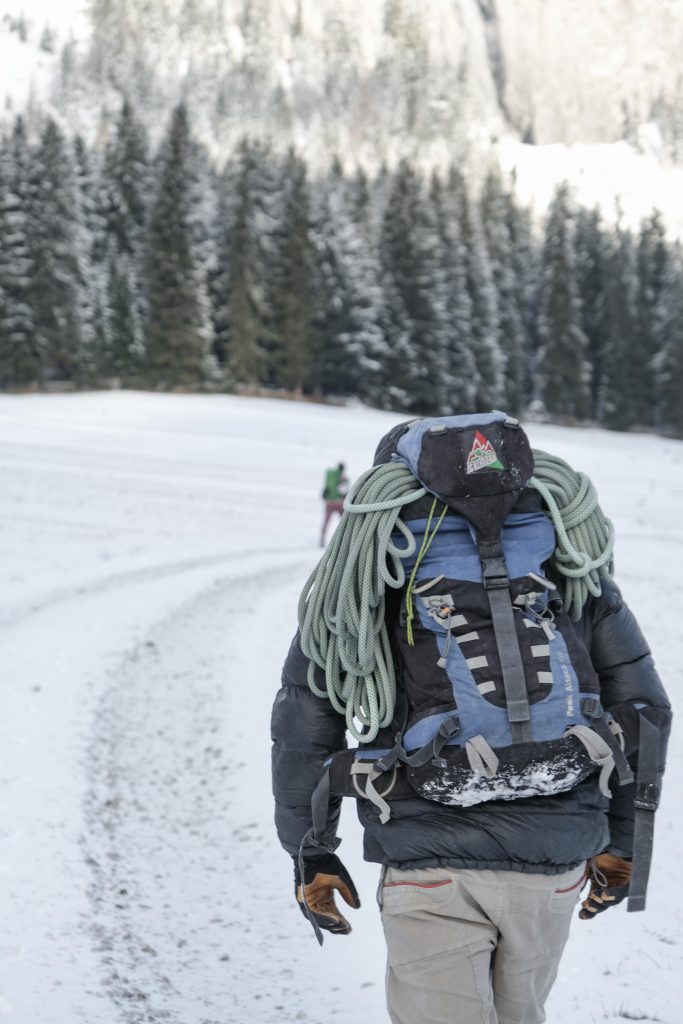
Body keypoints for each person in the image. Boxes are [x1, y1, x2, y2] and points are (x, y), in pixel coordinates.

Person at [272, 414, 671, 1024]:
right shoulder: (568, 559)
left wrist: (312, 852)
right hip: (555, 855)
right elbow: (643, 706)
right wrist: (622, 843)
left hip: (426, 854)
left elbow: (307, 716)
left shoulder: (372, 567)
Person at [320, 461, 348, 546]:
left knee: (326, 522)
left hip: (329, 503)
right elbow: (344, 491)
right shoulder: (343, 478)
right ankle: (345, 541)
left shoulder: (330, 475)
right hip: (339, 503)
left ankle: (322, 539)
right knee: (344, 523)